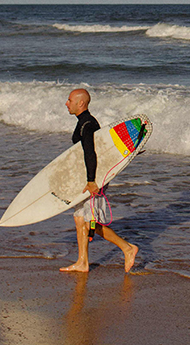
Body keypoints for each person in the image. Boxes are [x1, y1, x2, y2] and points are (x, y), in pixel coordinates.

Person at [59, 88, 139, 273]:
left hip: (93, 178)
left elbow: (90, 153)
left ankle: (128, 248)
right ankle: (82, 262)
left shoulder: (87, 124)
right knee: (80, 219)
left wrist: (91, 180)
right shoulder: (84, 122)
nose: (66, 103)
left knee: (90, 222)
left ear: (80, 103)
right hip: (88, 176)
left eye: (69, 100)